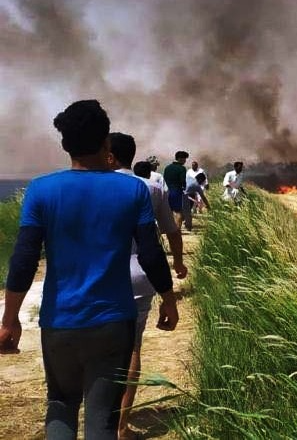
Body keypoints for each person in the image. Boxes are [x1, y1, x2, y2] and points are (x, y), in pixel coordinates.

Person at [0, 100, 178, 440]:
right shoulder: (133, 189)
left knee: (61, 404)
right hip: (114, 321)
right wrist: (169, 300)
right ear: (106, 143)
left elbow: (23, 260)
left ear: (65, 144)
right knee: (103, 420)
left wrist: (9, 320)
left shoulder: (41, 189)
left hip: (60, 320)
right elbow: (151, 254)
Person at [108, 133, 187, 439]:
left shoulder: (88, 185)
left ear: (109, 154)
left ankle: (93, 414)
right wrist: (177, 265)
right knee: (131, 348)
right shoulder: (152, 188)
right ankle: (120, 425)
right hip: (139, 275)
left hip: (96, 277)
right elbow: (167, 234)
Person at [163, 151, 189, 227]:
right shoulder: (182, 168)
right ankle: (177, 230)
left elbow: (164, 179)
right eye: (184, 159)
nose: (185, 161)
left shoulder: (167, 168)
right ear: (180, 159)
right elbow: (183, 181)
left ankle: (170, 228)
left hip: (167, 191)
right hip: (176, 191)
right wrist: (185, 187)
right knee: (178, 212)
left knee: (170, 211)